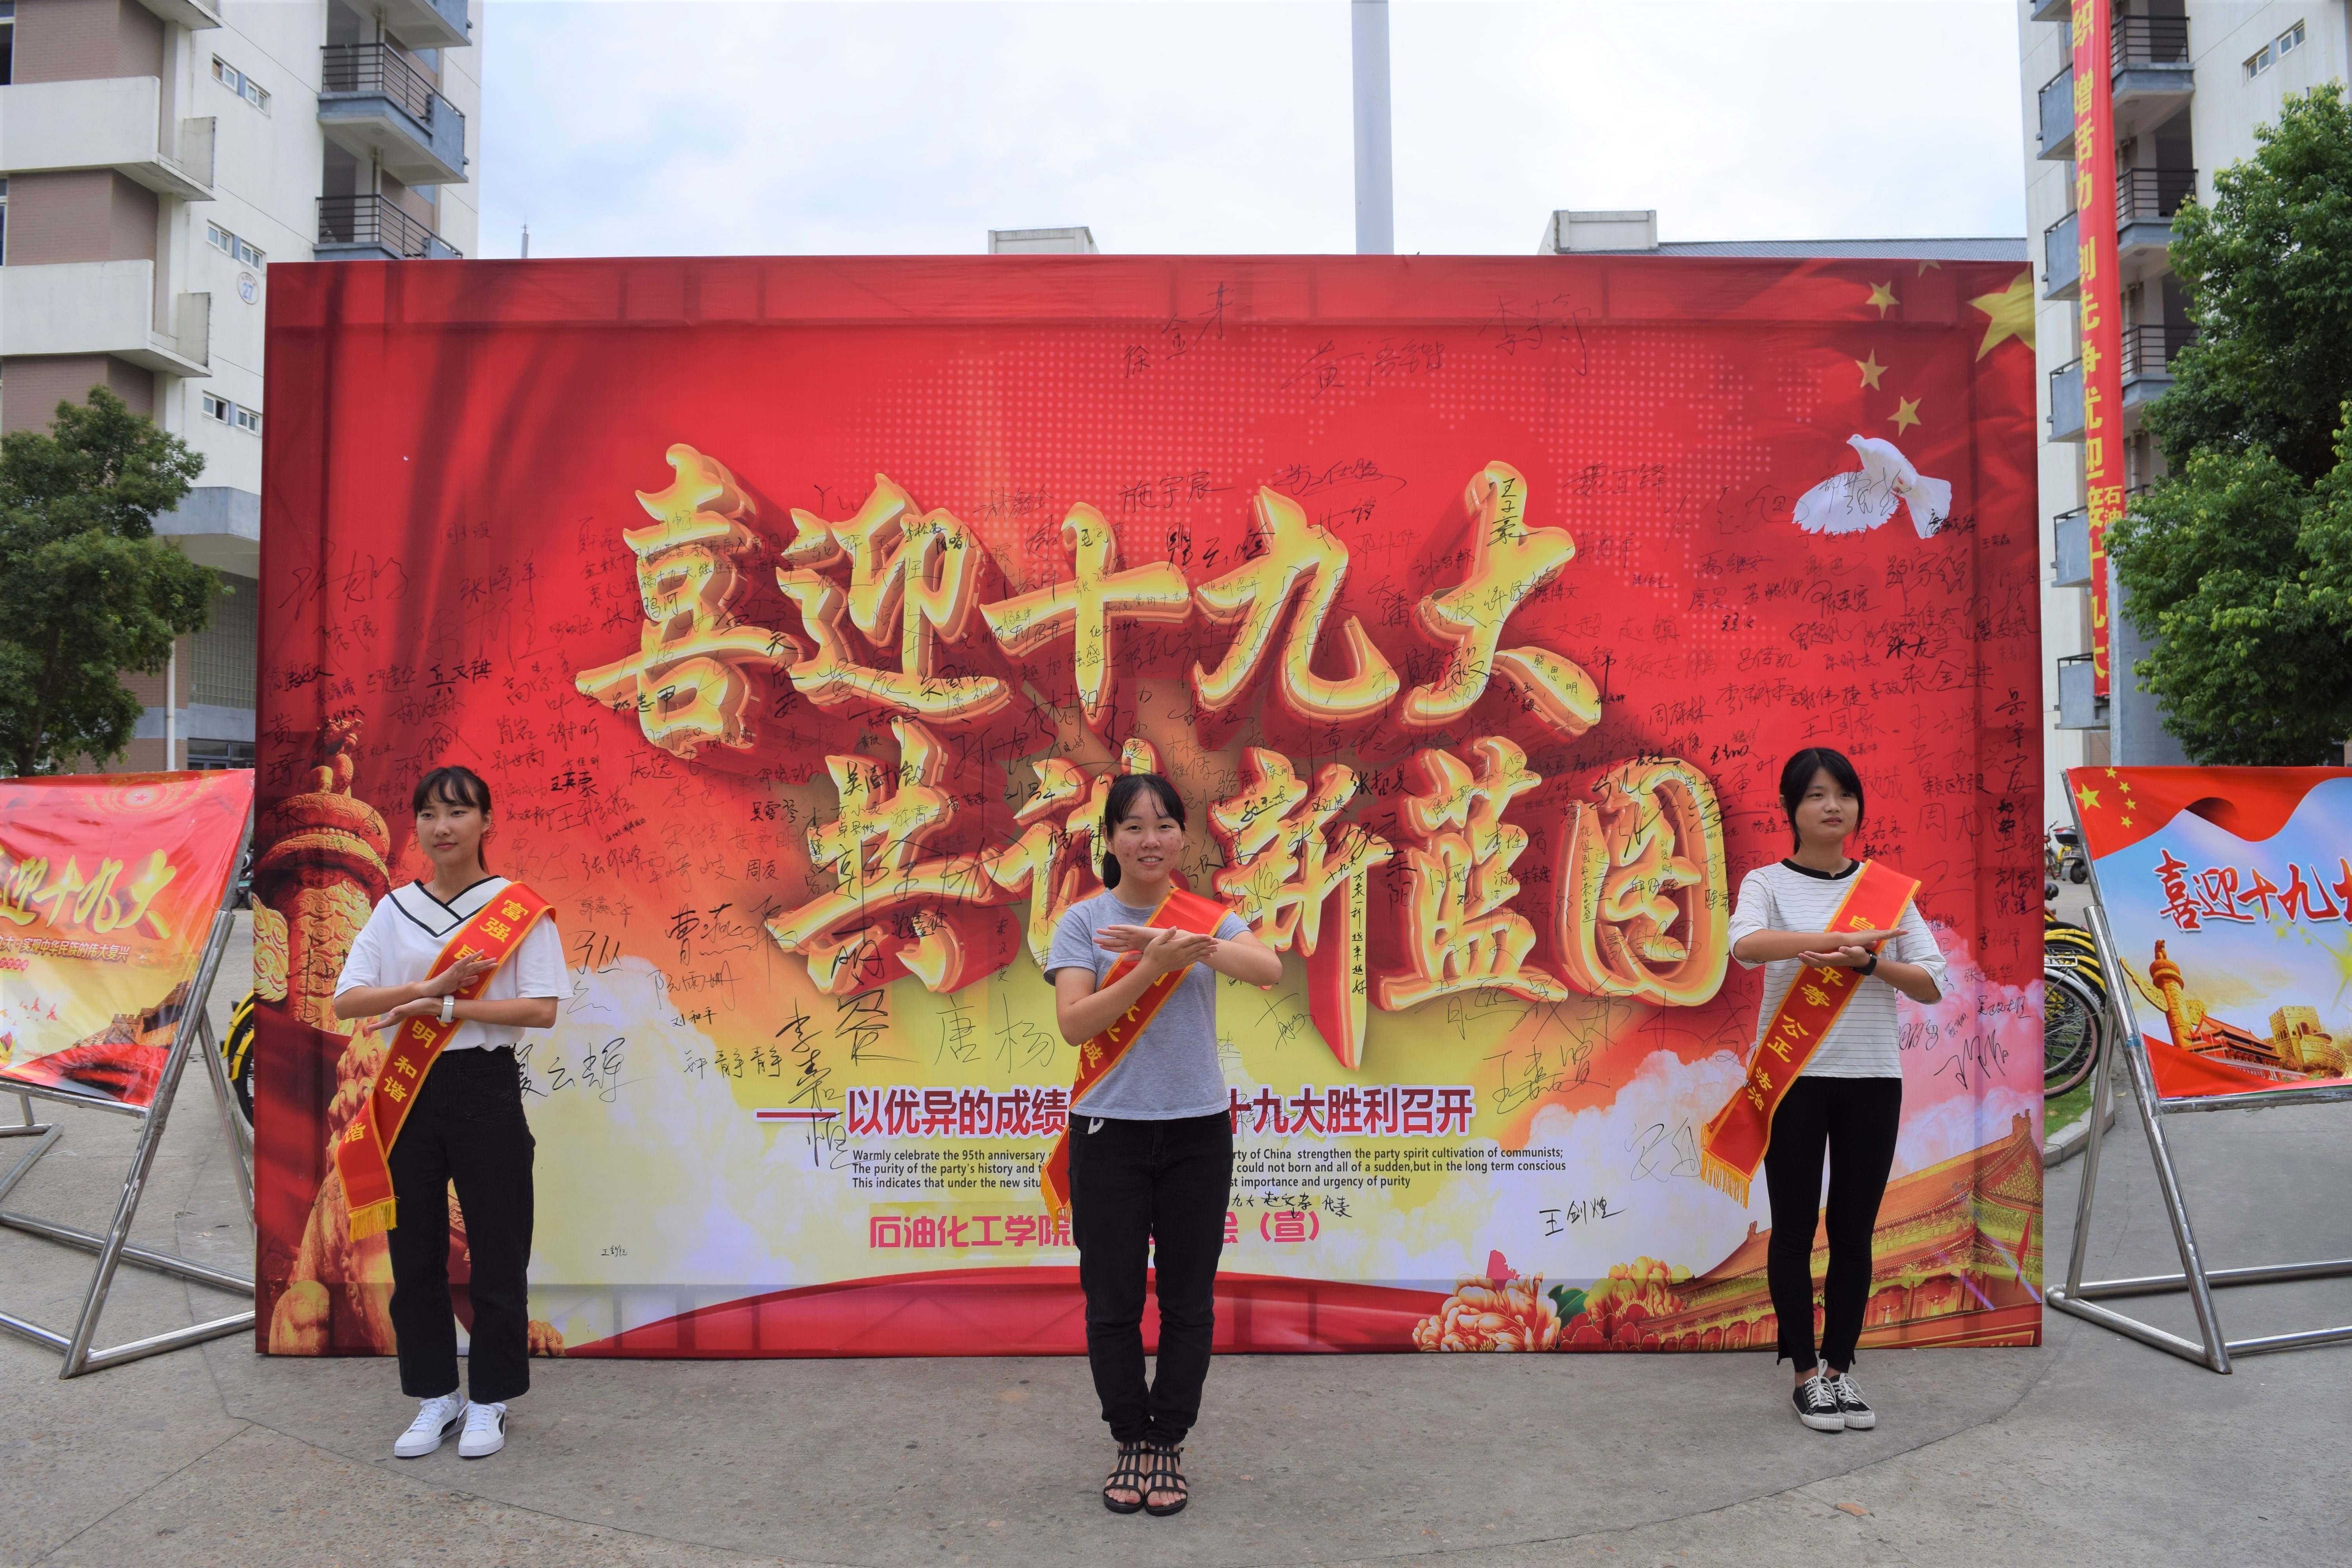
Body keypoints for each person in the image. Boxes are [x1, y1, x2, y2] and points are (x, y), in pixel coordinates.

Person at [1045, 773, 1280, 1516]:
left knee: (1187, 1300)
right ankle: (1130, 1437)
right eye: (1134, 826)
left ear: (1183, 837)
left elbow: (1267, 969)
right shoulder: (1083, 922)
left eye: (1166, 825)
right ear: (1110, 839)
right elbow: (1076, 1024)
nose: (1151, 840)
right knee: (1112, 1302)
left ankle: (1167, 1441)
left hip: (1196, 1132)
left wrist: (1181, 944)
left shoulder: (1207, 919)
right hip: (1108, 1133)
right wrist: (1151, 966)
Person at [331, 766, 564, 1461]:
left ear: (487, 822)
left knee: (497, 1248)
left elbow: (542, 1010)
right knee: (415, 1254)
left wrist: (449, 1006)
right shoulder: (394, 910)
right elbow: (348, 1000)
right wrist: (429, 987)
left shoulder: (518, 909)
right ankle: (437, 1396)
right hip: (408, 1095)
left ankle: (490, 1398)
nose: (442, 826)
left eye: (458, 812)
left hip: (483, 1087)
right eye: (429, 813)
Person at [1720, 747, 1945, 1435]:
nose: (1832, 807)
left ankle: (1841, 1371)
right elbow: (1745, 945)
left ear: (1858, 807)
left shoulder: (1890, 894)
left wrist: (1869, 963)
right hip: (1795, 1081)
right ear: (1790, 809)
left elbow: (1932, 982)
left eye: (1844, 795)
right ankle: (1804, 1377)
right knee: (1792, 1230)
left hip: (1873, 1079)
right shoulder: (1766, 883)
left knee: (1854, 1232)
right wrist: (1827, 940)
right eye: (1816, 795)